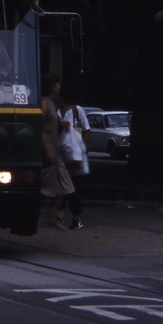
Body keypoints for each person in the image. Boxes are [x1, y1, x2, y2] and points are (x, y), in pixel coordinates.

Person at [40, 73, 74, 232]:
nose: (60, 86)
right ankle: (51, 217)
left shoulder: (52, 103)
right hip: (49, 151)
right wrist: (47, 149)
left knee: (64, 186)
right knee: (62, 185)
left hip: (54, 150)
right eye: (58, 84)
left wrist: (61, 124)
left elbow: (50, 123)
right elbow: (38, 127)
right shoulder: (44, 103)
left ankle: (52, 216)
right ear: (52, 86)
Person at [57, 84, 90, 230]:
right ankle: (59, 215)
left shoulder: (77, 111)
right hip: (60, 153)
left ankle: (76, 217)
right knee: (59, 184)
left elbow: (87, 129)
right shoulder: (56, 111)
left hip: (74, 155)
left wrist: (83, 148)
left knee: (74, 187)